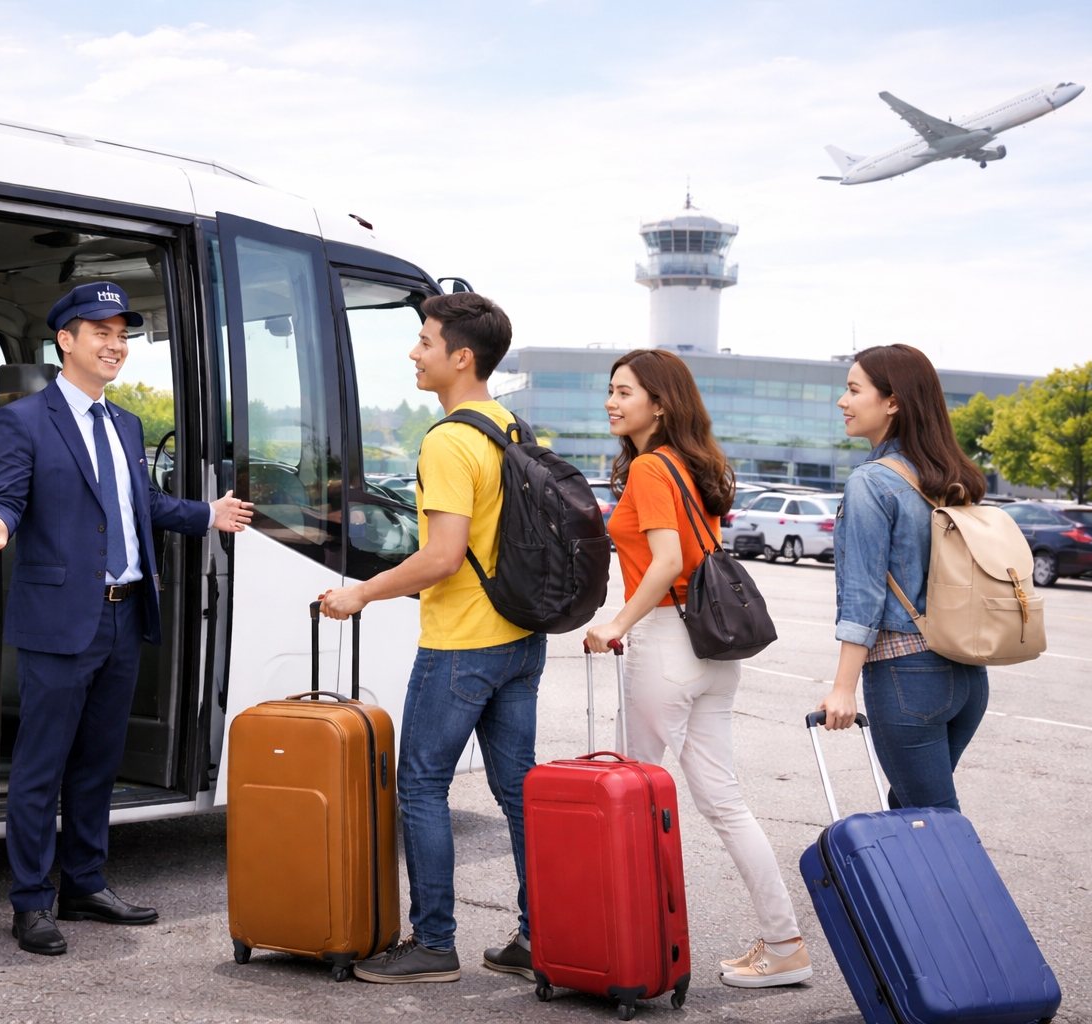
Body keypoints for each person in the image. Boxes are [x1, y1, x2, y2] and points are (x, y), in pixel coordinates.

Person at [0, 281, 253, 957]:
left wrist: (206, 514)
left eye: (122, 335)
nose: (115, 345)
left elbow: (141, 505)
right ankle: (31, 903)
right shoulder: (24, 420)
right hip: (61, 620)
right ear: (66, 341)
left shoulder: (124, 423)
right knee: (40, 768)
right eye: (101, 332)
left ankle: (85, 883)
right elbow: (4, 496)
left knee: (98, 765)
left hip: (123, 617)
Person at [318, 292, 542, 984]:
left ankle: (435, 942)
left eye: (424, 342)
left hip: (462, 643)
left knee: (418, 785)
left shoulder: (449, 440)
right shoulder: (511, 426)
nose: (414, 354)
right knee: (517, 792)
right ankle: (543, 933)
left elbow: (442, 556)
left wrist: (360, 591)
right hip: (520, 637)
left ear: (461, 357)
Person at [584, 349, 811, 989]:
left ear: (659, 403)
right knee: (725, 803)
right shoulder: (692, 464)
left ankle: (638, 946)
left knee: (632, 799)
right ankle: (784, 944)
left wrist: (614, 625)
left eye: (624, 392)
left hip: (665, 641)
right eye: (610, 390)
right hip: (711, 651)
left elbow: (663, 562)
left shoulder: (653, 469)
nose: (611, 401)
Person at [818, 344, 989, 812]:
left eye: (854, 390)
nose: (843, 401)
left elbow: (864, 595)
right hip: (968, 677)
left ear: (892, 401)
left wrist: (842, 687)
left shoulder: (872, 481)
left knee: (934, 822)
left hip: (907, 675)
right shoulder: (950, 475)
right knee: (911, 809)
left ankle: (965, 891)